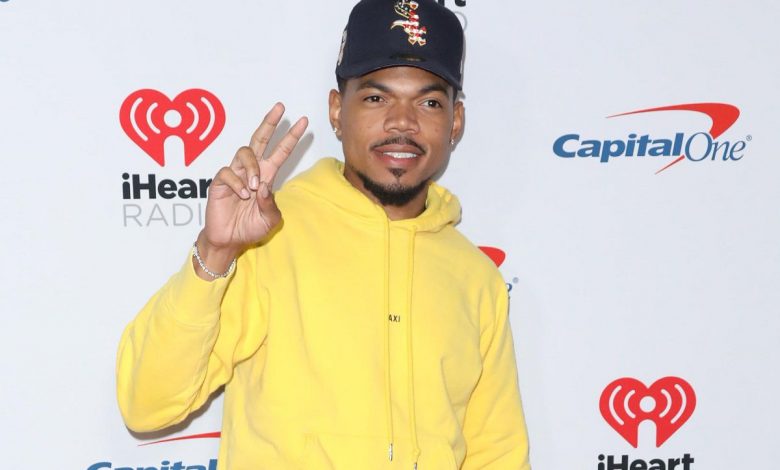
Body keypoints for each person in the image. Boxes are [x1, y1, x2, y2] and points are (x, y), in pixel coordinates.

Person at [116, 0, 531, 468]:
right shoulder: (268, 238)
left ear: (455, 122)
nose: (402, 122)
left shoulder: (475, 277)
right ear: (337, 111)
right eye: (376, 98)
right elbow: (146, 404)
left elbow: (497, 454)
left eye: (429, 102)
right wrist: (215, 252)